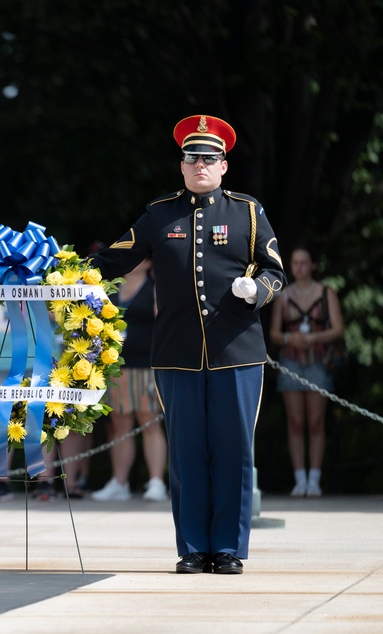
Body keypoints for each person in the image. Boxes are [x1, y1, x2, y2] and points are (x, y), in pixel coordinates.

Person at [92, 115, 285, 575]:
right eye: (192, 157)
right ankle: (195, 547)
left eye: (209, 158)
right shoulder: (160, 214)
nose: (200, 164)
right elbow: (110, 260)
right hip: (177, 353)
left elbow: (275, 271)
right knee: (186, 450)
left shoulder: (247, 212)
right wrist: (54, 274)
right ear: (181, 166)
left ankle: (230, 548)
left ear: (224, 166)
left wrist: (257, 291)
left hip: (236, 352)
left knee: (234, 449)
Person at [91, 258, 169, 502]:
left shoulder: (156, 286)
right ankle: (120, 482)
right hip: (116, 367)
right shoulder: (111, 287)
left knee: (149, 422)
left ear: (148, 263)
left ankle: (156, 482)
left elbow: (164, 323)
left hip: (146, 364)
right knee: (119, 424)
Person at [269, 246, 344, 498]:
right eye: (295, 262)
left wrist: (312, 338)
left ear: (313, 265)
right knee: (296, 422)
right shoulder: (283, 295)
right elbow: (274, 334)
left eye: (304, 262)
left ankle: (315, 479)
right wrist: (291, 338)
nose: (299, 266)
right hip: (290, 362)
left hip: (318, 361)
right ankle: (299, 479)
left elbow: (337, 329)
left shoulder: (326, 293)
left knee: (315, 422)